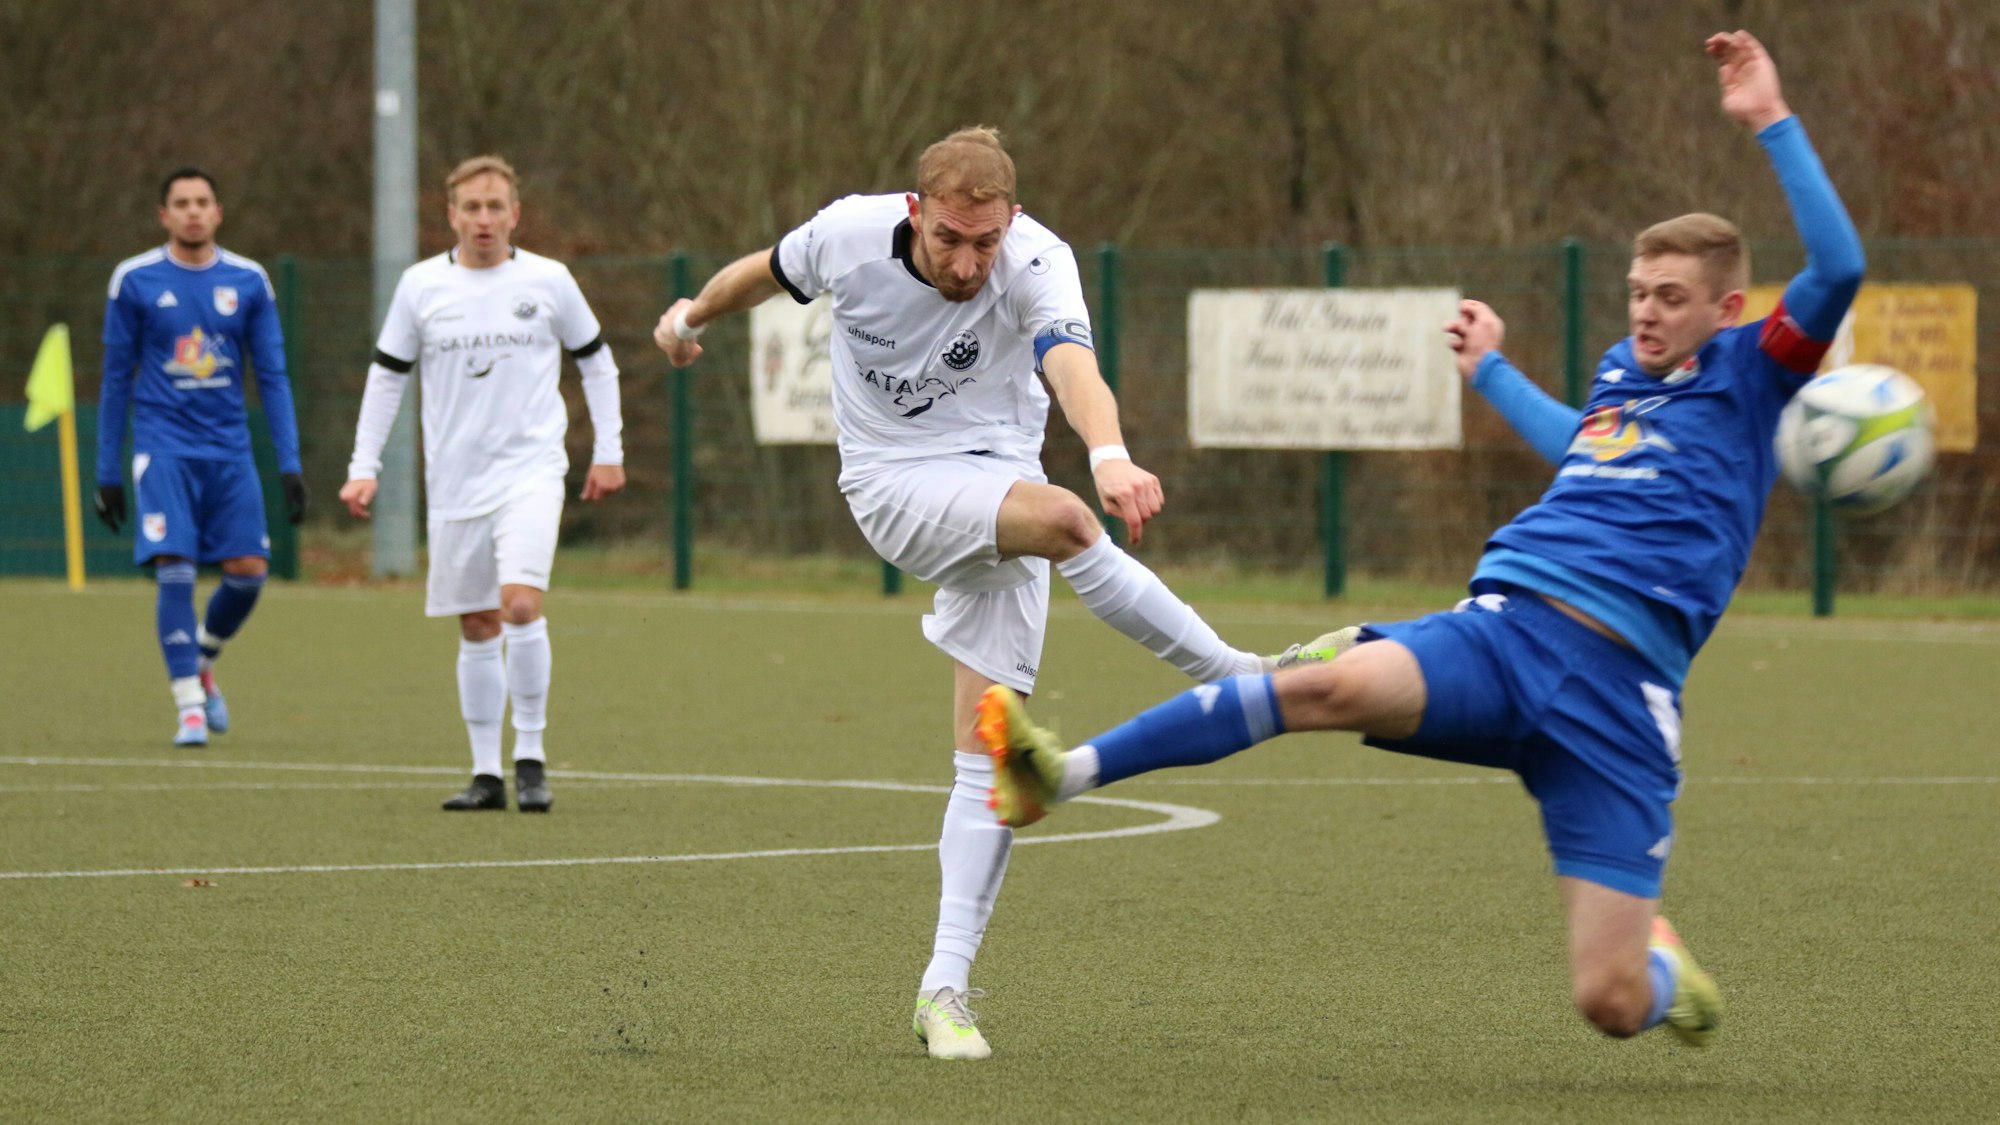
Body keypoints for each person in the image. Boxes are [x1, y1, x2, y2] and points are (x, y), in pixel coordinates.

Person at [978, 31, 1863, 1049]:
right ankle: (1059, 776)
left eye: (1670, 298)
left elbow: (1839, 264)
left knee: (1610, 1002)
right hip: (1508, 631)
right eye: (1636, 292)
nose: (1646, 313)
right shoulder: (1623, 371)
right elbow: (1581, 448)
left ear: (1728, 307)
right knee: (1319, 688)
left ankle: (1663, 973)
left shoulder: (1753, 372)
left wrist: (1768, 119)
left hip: (1621, 701)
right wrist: (1492, 372)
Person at [653, 127, 1335, 1060]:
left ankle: (943, 991)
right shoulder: (849, 234)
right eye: (949, 240)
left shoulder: (1039, 261)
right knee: (1070, 522)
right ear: (916, 213)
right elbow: (761, 272)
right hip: (893, 482)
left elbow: (1072, 365)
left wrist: (1108, 450)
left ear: (1011, 221)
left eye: (987, 242)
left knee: (993, 756)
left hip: (1000, 484)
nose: (969, 264)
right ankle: (1242, 673)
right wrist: (689, 318)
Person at [339, 155, 625, 814]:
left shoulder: (548, 280)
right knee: (476, 622)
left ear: (515, 214)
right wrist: (363, 465)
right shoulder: (420, 287)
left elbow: (597, 361)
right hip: (455, 481)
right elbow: (386, 377)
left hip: (531, 471)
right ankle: (485, 772)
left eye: (496, 206)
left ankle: (531, 757)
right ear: (452, 216)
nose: (484, 218)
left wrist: (608, 451)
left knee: (519, 605)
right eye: (472, 207)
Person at [95, 167, 307, 747]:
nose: (193, 211)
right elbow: (115, 378)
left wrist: (289, 464)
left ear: (218, 212)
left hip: (229, 451)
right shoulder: (134, 279)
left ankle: (204, 660)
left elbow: (273, 376)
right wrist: (107, 472)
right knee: (176, 569)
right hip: (163, 448)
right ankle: (189, 706)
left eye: (202, 201)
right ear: (164, 215)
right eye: (182, 203)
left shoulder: (250, 281)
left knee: (249, 574)